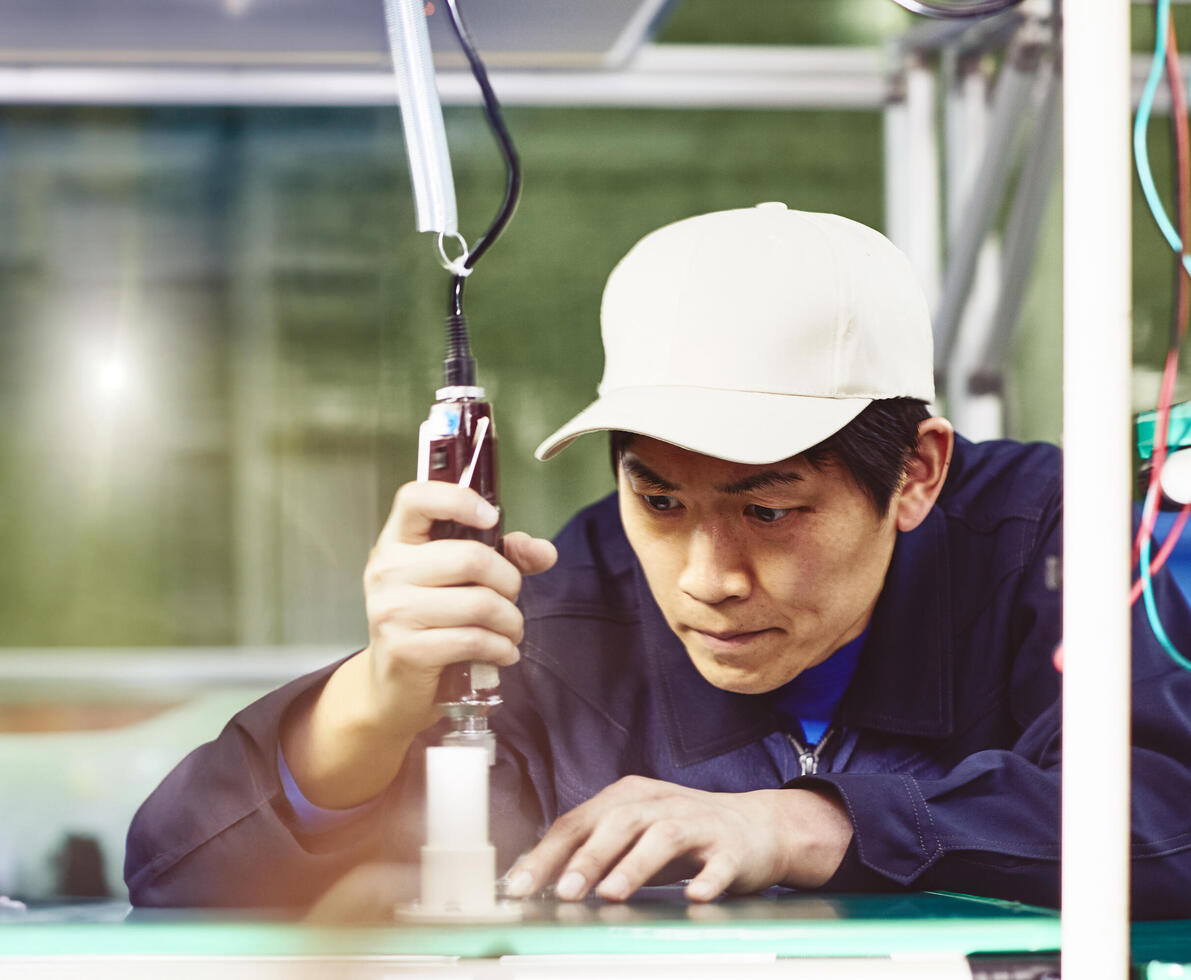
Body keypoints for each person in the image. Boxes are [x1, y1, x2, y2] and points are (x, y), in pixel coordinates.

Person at [125, 204, 1191, 917]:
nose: (705, 575)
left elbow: (1171, 805)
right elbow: (181, 877)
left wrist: (810, 820)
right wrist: (375, 697)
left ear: (916, 472)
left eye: (769, 508)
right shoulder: (562, 621)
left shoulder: (1062, 548)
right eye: (661, 499)